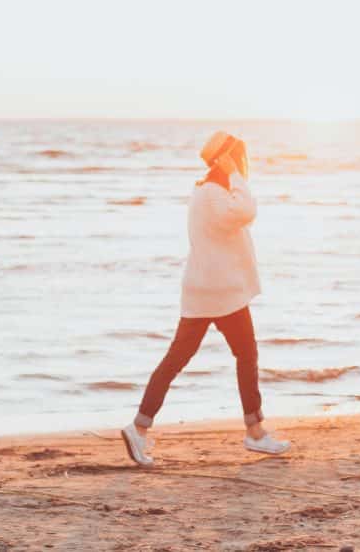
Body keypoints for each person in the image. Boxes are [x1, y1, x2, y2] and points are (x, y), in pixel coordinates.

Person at [121, 131, 290, 466]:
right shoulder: (215, 193)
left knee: (177, 360)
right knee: (246, 356)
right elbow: (246, 210)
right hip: (221, 293)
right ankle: (254, 432)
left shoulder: (205, 191)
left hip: (206, 291)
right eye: (239, 159)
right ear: (227, 161)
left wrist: (232, 176)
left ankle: (139, 427)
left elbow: (240, 215)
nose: (244, 165)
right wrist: (236, 174)